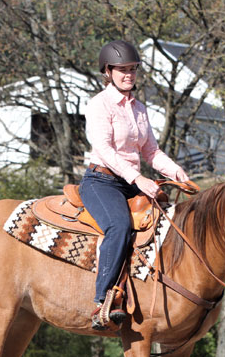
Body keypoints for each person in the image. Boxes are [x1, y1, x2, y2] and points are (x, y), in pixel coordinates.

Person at [81, 39, 190, 330]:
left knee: (168, 219)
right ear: (108, 71)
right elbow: (104, 149)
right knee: (119, 226)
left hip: (130, 182)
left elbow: (151, 151)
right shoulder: (99, 105)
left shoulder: (139, 108)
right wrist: (138, 178)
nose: (128, 75)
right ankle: (102, 300)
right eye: (121, 69)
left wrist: (178, 172)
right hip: (101, 180)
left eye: (132, 69)